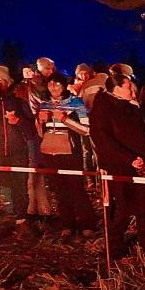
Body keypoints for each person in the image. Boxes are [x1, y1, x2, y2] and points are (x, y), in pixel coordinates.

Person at [90, 73, 145, 259]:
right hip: (119, 167)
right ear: (116, 89)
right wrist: (128, 158)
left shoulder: (131, 108)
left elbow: (143, 137)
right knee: (123, 207)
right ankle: (115, 245)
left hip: (142, 164)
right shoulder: (102, 109)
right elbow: (103, 140)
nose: (133, 91)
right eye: (129, 87)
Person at [36, 73, 97, 237]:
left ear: (64, 86)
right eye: (50, 84)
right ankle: (67, 224)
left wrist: (64, 119)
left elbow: (86, 130)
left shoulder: (76, 103)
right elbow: (40, 133)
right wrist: (39, 122)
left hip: (70, 152)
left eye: (57, 84)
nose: (53, 87)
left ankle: (87, 224)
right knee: (60, 190)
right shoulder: (44, 104)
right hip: (49, 153)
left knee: (77, 189)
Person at [0, 65, 33, 226]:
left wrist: (18, 121)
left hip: (17, 152)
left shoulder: (19, 102)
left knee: (19, 187)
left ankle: (21, 220)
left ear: (7, 82)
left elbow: (32, 130)